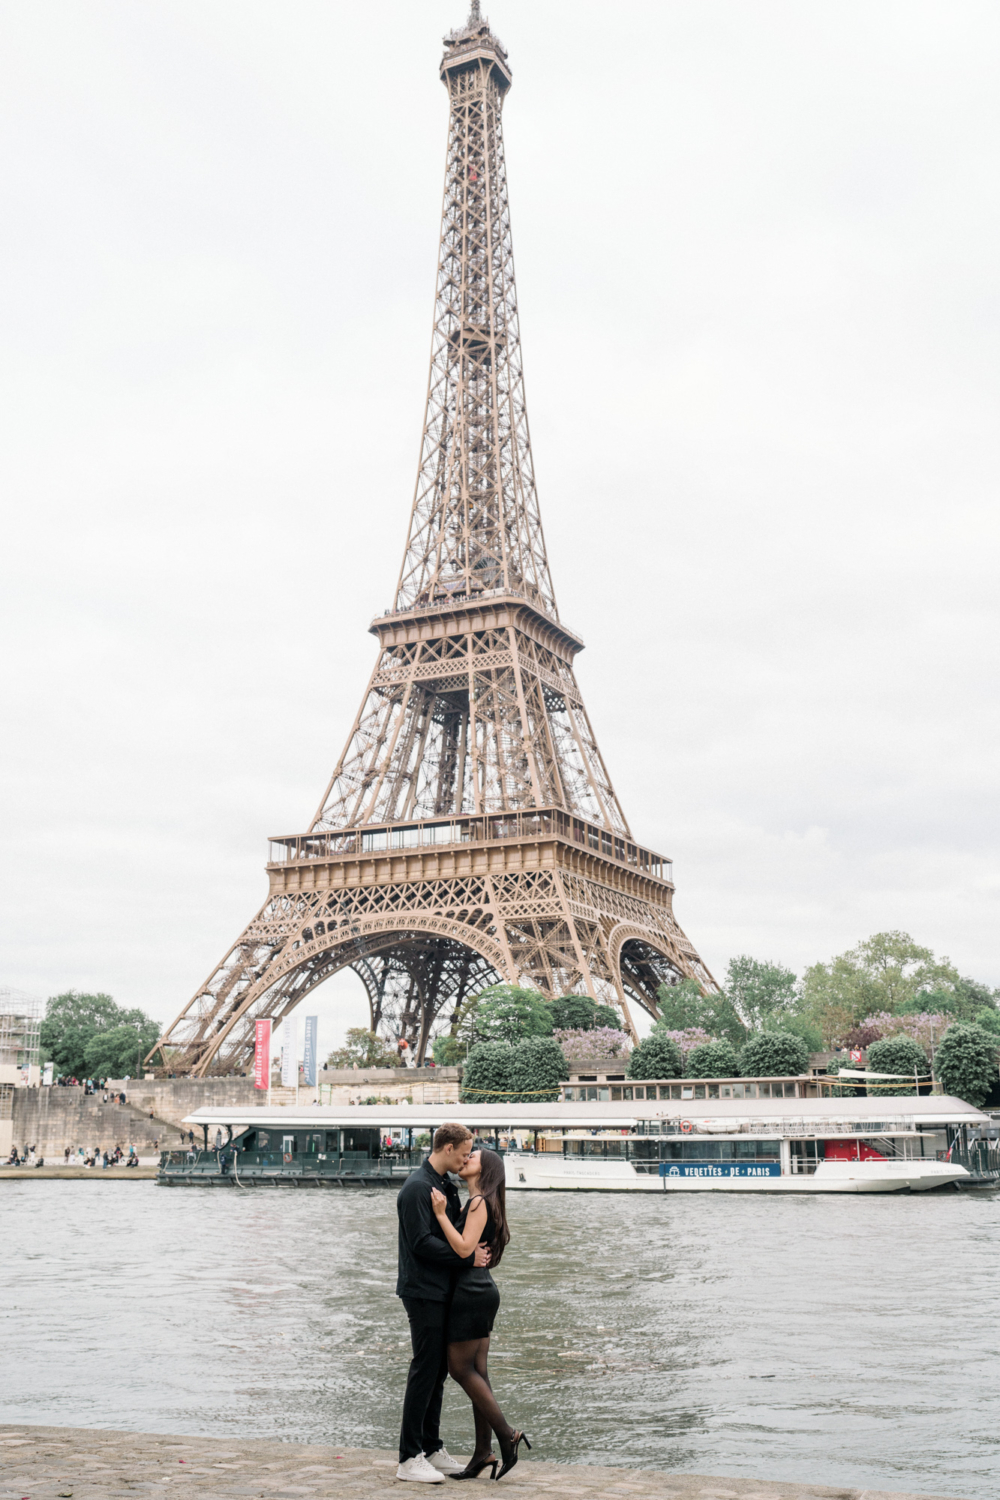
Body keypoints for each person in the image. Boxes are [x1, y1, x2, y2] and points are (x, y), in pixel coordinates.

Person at [395, 1122, 490, 1484]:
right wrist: (468, 1259)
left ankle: (431, 1448)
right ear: (448, 1148)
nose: (467, 1157)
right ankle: (408, 1457)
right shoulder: (418, 1188)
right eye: (465, 1151)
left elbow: (449, 1237)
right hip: (421, 1290)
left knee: (436, 1372)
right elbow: (421, 1243)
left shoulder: (441, 1186)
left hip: (439, 1289)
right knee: (425, 1369)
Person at [429, 1147, 528, 1481]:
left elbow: (463, 1248)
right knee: (478, 1374)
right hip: (481, 1290)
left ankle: (507, 1435)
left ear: (484, 1171)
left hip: (471, 1293)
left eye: (473, 1158)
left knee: (459, 1369)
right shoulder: (483, 1202)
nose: (467, 1158)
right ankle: (483, 1453)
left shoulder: (478, 1202)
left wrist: (441, 1215)